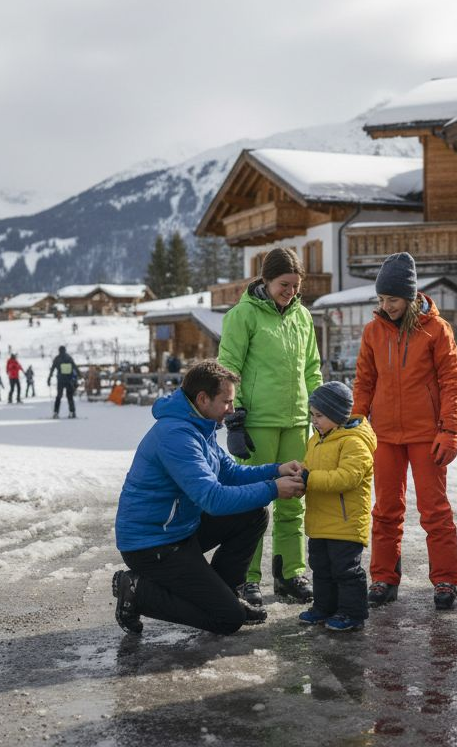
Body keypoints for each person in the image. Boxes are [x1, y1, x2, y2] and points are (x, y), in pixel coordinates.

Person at [111, 360, 306, 635]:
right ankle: (137, 591)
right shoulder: (177, 435)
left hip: (179, 531)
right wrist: (274, 488)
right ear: (203, 399)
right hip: (152, 544)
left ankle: (224, 594)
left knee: (253, 515)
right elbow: (212, 499)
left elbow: (228, 472)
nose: (232, 409)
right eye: (226, 401)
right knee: (227, 619)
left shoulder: (200, 424)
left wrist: (276, 470)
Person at [354, 252, 457, 611]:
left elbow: (451, 382)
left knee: (434, 510)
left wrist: (449, 430)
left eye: (393, 300)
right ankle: (383, 577)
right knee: (385, 509)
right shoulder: (373, 331)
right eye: (382, 300)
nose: (387, 307)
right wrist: (357, 424)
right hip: (384, 434)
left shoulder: (436, 330)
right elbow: (364, 382)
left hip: (426, 435)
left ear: (412, 296)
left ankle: (445, 579)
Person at [217, 247, 322, 606]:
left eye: (295, 286)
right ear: (265, 280)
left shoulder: (303, 318)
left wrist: (319, 411)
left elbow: (312, 368)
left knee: (294, 499)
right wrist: (234, 418)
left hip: (295, 422)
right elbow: (228, 367)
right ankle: (246, 579)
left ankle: (290, 573)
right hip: (257, 422)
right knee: (255, 504)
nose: (290, 292)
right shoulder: (242, 316)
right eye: (283, 284)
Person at [296, 382, 376, 632]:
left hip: (345, 522)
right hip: (319, 521)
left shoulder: (354, 442)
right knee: (321, 568)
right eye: (312, 415)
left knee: (346, 570)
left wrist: (310, 479)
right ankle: (324, 607)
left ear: (337, 414)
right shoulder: (315, 441)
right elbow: (312, 472)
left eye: (319, 415)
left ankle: (352, 613)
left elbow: (347, 478)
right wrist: (299, 480)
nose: (314, 420)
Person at [48, 345, 78, 418]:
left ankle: (56, 413)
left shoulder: (57, 358)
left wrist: (49, 378)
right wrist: (78, 378)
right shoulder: (69, 358)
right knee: (70, 397)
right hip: (69, 380)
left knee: (58, 396)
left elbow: (52, 369)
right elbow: (75, 368)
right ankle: (72, 412)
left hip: (60, 380)